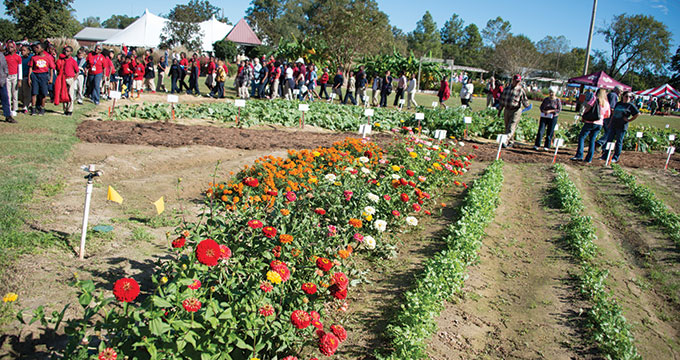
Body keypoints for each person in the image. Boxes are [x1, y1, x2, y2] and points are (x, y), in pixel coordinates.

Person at [571, 88, 610, 163]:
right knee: (592, 140)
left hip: (590, 121)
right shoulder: (606, 103)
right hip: (599, 123)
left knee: (582, 137)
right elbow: (608, 115)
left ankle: (579, 155)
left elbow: (588, 107)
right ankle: (589, 158)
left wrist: (584, 115)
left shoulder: (595, 99)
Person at [599, 91, 639, 163]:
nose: (628, 98)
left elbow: (637, 114)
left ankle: (615, 157)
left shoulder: (630, 106)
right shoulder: (618, 104)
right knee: (609, 140)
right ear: (623, 96)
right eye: (626, 96)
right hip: (613, 124)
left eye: (630, 97)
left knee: (619, 142)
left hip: (622, 126)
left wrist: (629, 120)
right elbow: (613, 114)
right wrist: (610, 123)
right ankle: (605, 155)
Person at [497, 74, 530, 147]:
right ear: (513, 80)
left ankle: (505, 141)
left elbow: (525, 100)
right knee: (507, 126)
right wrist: (499, 111)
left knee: (511, 127)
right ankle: (511, 142)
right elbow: (502, 100)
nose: (517, 82)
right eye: (516, 81)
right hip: (507, 109)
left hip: (516, 110)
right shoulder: (506, 89)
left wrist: (527, 105)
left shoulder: (521, 90)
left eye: (518, 81)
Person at [28, 42, 55, 115]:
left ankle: (42, 108)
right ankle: (33, 109)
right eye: (35, 47)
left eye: (37, 47)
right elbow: (30, 68)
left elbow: (51, 68)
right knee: (34, 93)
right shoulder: (34, 58)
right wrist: (29, 78)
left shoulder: (48, 58)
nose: (35, 49)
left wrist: (51, 78)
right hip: (35, 75)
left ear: (42, 49)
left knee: (43, 93)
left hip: (44, 76)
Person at [594, 86, 622, 150]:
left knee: (608, 132)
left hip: (605, 116)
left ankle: (603, 146)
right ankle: (600, 143)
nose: (621, 92)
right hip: (608, 117)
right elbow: (612, 107)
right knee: (609, 132)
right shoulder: (613, 95)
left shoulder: (612, 95)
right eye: (620, 90)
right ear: (617, 90)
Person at [5, 42, 21, 117]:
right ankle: (8, 108)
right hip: (7, 76)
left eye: (11, 47)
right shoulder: (5, 57)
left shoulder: (18, 57)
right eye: (8, 47)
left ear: (14, 48)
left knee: (15, 93)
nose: (9, 48)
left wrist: (19, 79)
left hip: (15, 76)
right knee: (8, 93)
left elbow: (20, 69)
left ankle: (15, 109)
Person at [0, 50, 16, 122]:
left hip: (2, 81)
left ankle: (8, 116)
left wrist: (5, 75)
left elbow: (5, 67)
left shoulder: (1, 55)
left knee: (5, 99)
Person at [19, 44, 32, 112]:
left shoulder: (31, 58)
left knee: (27, 92)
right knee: (20, 93)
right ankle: (26, 102)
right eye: (21, 50)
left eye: (24, 50)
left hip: (28, 77)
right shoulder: (20, 58)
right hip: (21, 77)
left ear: (28, 51)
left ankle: (25, 106)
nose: (22, 52)